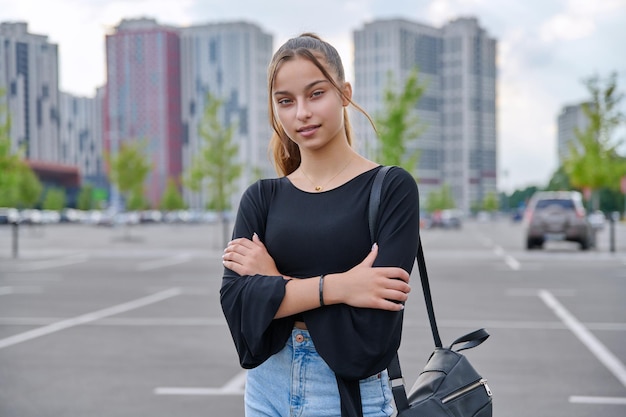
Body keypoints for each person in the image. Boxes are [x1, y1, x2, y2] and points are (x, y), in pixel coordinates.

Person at [220, 33, 420, 417]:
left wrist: (273, 282)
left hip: (349, 396)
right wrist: (341, 286)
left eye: (316, 94)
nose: (301, 114)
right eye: (285, 101)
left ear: (344, 93)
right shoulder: (261, 198)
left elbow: (372, 332)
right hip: (266, 391)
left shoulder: (390, 188)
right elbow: (238, 308)